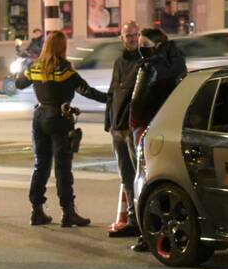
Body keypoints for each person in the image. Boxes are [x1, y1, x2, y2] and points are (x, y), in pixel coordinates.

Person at [15, 30, 108, 228]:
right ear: (62, 47)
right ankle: (68, 213)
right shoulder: (64, 69)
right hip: (60, 118)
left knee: (41, 164)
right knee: (62, 167)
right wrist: (111, 99)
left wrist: (24, 69)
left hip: (39, 118)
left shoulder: (35, 67)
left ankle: (37, 211)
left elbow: (19, 84)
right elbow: (86, 90)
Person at [128, 27, 187, 252]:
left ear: (155, 44)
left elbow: (137, 103)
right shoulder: (178, 62)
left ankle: (147, 234)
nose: (140, 47)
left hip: (146, 128)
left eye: (143, 43)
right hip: (169, 126)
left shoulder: (149, 66)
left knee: (143, 181)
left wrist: (133, 125)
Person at [105, 21, 143, 239]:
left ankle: (140, 218)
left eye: (134, 35)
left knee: (138, 174)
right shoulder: (119, 62)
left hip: (131, 127)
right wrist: (108, 122)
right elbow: (113, 93)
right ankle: (132, 219)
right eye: (128, 36)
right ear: (121, 38)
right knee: (126, 175)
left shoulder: (143, 62)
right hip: (117, 127)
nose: (131, 39)